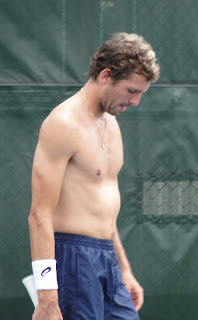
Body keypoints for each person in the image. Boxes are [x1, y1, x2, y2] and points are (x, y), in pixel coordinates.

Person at [28, 32, 160, 320]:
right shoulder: (63, 123)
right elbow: (39, 215)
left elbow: (104, 209)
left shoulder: (111, 123)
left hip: (107, 259)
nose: (135, 101)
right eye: (131, 90)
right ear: (106, 75)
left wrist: (124, 270)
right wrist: (48, 298)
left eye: (140, 93)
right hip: (72, 261)